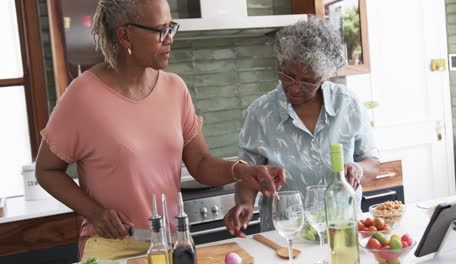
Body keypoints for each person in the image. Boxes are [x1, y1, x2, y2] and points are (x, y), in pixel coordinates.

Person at [35, 0, 285, 260]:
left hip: (172, 244)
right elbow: (46, 170)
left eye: (171, 28)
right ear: (125, 35)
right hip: (113, 246)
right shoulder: (83, 95)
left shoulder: (175, 88)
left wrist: (242, 170)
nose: (170, 40)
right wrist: (95, 212)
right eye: (160, 31)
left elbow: (200, 163)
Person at [224, 16, 379, 237]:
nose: (295, 88)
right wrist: (246, 203)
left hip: (342, 230)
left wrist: (359, 168)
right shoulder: (260, 113)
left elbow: (373, 162)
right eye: (289, 75)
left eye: (308, 81)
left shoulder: (348, 104)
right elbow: (247, 172)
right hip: (286, 235)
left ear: (324, 77)